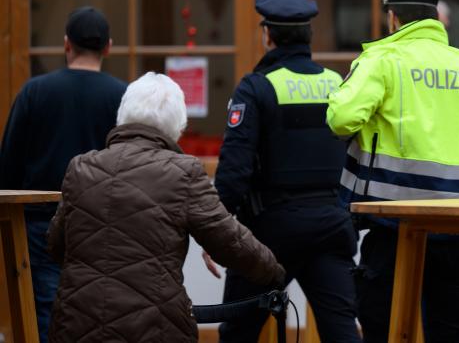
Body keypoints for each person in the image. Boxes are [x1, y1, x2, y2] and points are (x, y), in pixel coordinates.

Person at [326, 0, 459, 343]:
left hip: (393, 223)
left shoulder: (380, 60)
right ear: (435, 17)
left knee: (384, 329)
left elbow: (341, 120)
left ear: (393, 18)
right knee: (452, 332)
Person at [47, 72, 285, 342]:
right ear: (177, 126)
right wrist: (274, 271)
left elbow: (57, 245)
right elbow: (230, 242)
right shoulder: (183, 173)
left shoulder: (80, 168)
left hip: (75, 326)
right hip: (153, 328)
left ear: (123, 114)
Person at [212, 0, 361, 343]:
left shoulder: (257, 87)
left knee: (238, 333)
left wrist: (216, 224)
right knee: (342, 333)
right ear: (309, 35)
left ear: (268, 36)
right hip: (330, 226)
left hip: (270, 233)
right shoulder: (337, 84)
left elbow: (235, 167)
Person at [0, 7, 127, 342]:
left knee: (47, 316)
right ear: (108, 47)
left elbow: (9, 165)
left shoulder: (35, 92)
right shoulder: (122, 97)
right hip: (105, 222)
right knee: (102, 314)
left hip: (41, 223)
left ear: (66, 45)